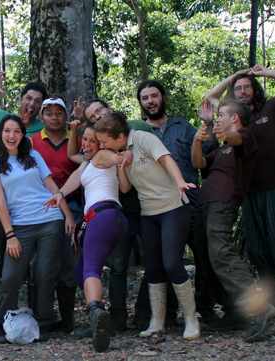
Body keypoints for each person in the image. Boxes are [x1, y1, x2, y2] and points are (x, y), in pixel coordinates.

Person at [204, 64, 275, 323]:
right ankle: (274, 307)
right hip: (248, 191)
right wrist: (235, 76)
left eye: (246, 87)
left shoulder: (271, 108)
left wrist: (261, 73)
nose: (241, 91)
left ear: (254, 89)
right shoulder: (233, 116)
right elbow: (210, 96)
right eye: (237, 88)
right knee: (260, 250)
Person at [132, 80, 231, 330]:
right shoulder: (137, 132)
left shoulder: (182, 126)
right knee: (162, 260)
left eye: (154, 95)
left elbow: (208, 151)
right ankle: (161, 315)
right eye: (145, 98)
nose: (150, 101)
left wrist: (208, 123)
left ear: (163, 97)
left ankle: (207, 311)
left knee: (204, 256)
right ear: (141, 103)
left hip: (190, 203)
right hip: (155, 206)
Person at [94, 111, 200, 340]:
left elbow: (167, 159)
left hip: (173, 207)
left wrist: (180, 182)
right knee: (153, 267)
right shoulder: (118, 152)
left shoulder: (142, 138)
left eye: (104, 140)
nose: (100, 145)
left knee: (172, 263)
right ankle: (156, 322)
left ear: (120, 136)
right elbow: (124, 189)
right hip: (148, 213)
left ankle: (192, 320)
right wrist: (120, 160)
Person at [193, 99, 275, 342]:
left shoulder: (245, 135)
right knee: (206, 259)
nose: (217, 118)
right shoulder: (219, 150)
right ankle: (234, 314)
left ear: (235, 118)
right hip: (204, 205)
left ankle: (258, 306)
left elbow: (237, 140)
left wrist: (225, 134)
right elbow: (198, 162)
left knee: (220, 253)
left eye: (221, 115)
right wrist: (198, 139)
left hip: (222, 202)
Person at [68, 97, 155, 331]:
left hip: (134, 210)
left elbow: (124, 161)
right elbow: (75, 159)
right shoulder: (95, 156)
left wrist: (123, 158)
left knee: (152, 263)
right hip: (115, 214)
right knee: (107, 268)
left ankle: (141, 315)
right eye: (91, 117)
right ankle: (110, 317)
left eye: (99, 112)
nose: (96, 116)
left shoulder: (132, 133)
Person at [0, 115, 74, 338]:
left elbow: (52, 186)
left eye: (17, 131)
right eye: (7, 131)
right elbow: (0, 202)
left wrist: (68, 215)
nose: (12, 136)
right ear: (0, 133)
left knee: (45, 273)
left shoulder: (33, 155)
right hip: (20, 225)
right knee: (10, 276)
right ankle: (3, 323)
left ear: (22, 135)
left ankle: (43, 324)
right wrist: (11, 234)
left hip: (49, 219)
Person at [44, 123, 130, 352]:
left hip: (101, 217)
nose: (88, 144)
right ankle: (98, 321)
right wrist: (59, 194)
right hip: (115, 219)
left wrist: (121, 158)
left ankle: (96, 312)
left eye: (94, 140)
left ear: (101, 143)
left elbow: (118, 158)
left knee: (91, 269)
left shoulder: (103, 155)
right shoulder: (89, 164)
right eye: (86, 139)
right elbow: (123, 186)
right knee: (79, 271)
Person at [28, 97, 82, 333]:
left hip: (72, 205)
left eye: (59, 112)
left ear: (66, 116)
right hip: (40, 208)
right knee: (38, 264)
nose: (54, 117)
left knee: (67, 263)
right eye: (48, 113)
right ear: (41, 118)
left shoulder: (77, 140)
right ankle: (40, 318)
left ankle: (68, 319)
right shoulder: (30, 142)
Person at [0, 72, 48, 136]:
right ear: (20, 99)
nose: (32, 103)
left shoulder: (45, 128)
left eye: (37, 101)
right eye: (28, 98)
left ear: (41, 105)